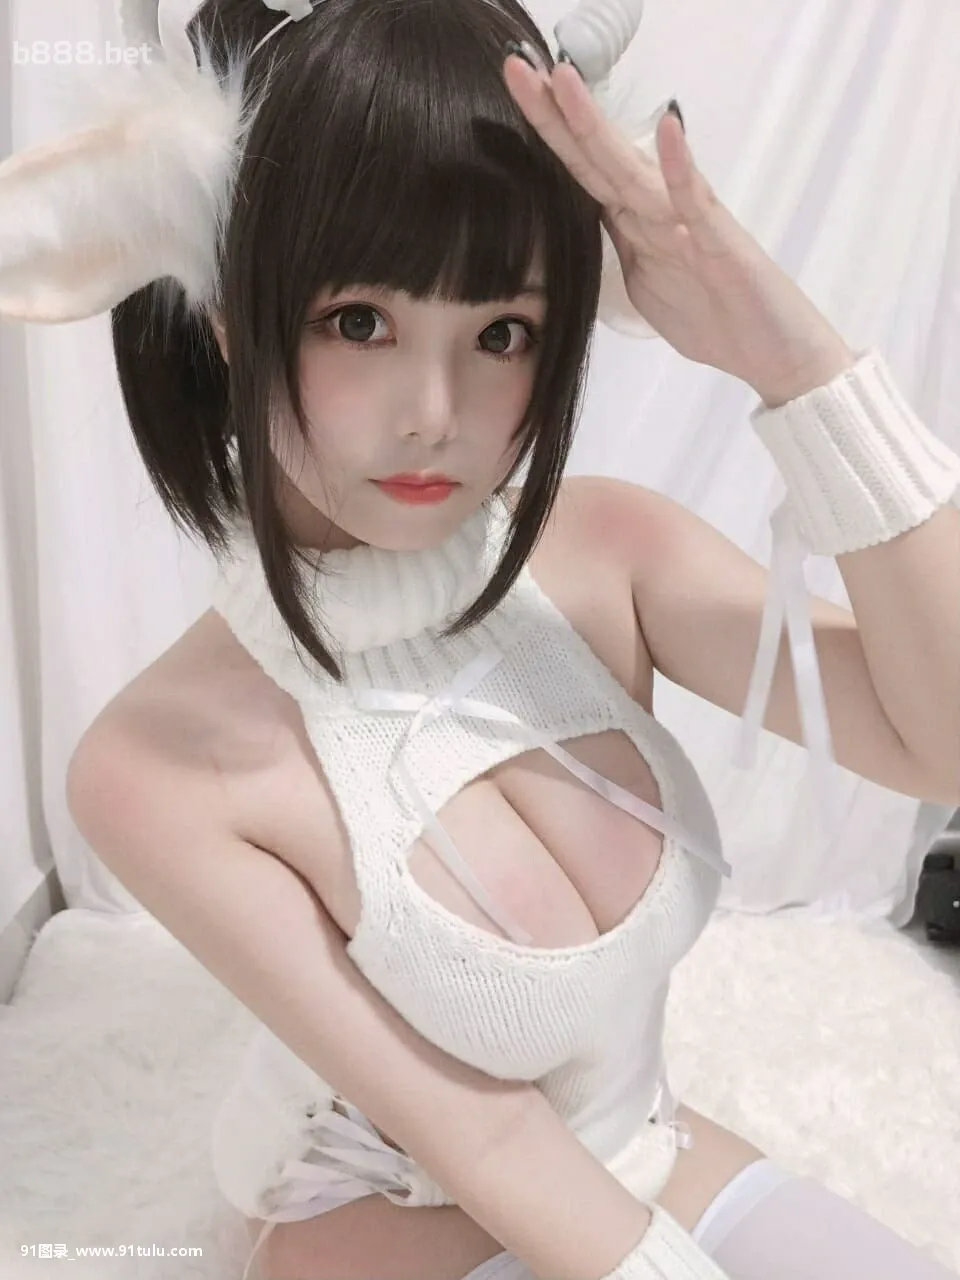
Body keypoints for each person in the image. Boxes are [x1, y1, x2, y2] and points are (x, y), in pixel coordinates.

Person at [3, 1, 958, 1278]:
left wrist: (796, 362)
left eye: (503, 330)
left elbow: (939, 740)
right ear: (231, 318)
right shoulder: (155, 763)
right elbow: (489, 1138)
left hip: (643, 1144)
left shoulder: (612, 554)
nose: (436, 413)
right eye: (358, 319)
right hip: (387, 1227)